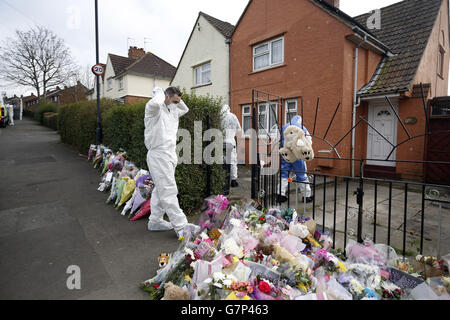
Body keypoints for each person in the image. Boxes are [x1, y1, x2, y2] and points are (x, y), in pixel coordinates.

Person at [144, 86, 199, 238]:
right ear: (166, 97)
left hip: (169, 155)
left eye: (177, 101)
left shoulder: (172, 110)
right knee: (168, 190)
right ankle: (181, 226)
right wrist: (160, 94)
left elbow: (185, 108)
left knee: (160, 189)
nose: (177, 104)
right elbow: (155, 104)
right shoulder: (153, 110)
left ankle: (155, 220)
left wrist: (175, 100)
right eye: (174, 100)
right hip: (158, 155)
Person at [277, 115, 313, 203]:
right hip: (298, 155)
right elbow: (308, 141)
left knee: (284, 174)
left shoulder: (284, 127)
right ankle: (306, 196)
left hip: (286, 155)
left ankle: (280, 195)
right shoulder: (302, 128)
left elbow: (278, 139)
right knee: (301, 175)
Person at [221, 104, 241, 188]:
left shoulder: (220, 117)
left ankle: (223, 179)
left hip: (222, 141)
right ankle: (233, 180)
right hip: (231, 141)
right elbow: (239, 129)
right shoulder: (233, 116)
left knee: (223, 161)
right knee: (232, 161)